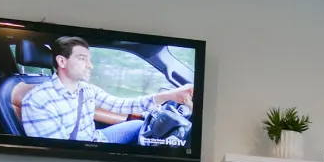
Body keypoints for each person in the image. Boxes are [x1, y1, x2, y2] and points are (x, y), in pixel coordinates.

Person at [18, 36, 194, 143]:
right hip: (79, 157)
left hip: (96, 139)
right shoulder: (37, 101)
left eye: (89, 59)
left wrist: (170, 95)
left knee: (139, 127)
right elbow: (56, 154)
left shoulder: (86, 90)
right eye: (82, 59)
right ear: (62, 62)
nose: (90, 66)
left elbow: (121, 105)